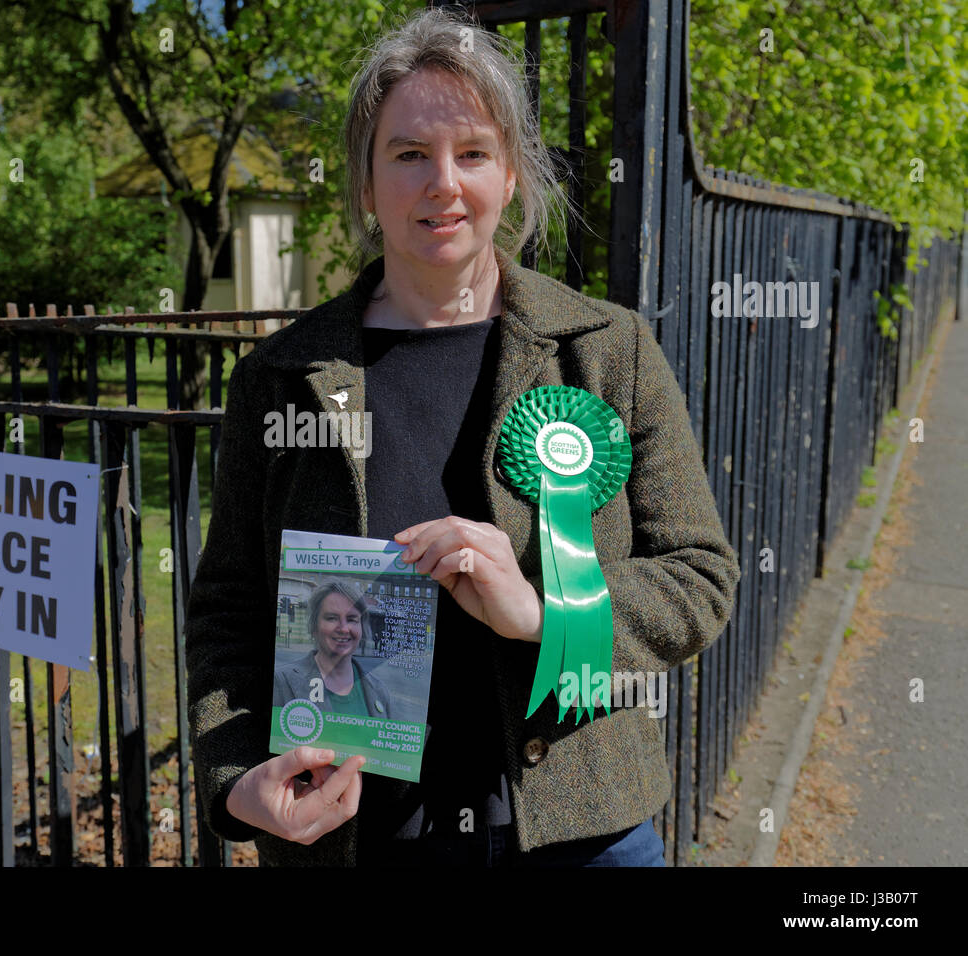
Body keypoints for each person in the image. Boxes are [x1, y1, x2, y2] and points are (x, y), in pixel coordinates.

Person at [185, 7, 741, 866]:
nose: (443, 183)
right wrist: (234, 775)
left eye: (473, 152)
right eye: (408, 154)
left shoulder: (606, 350)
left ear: (511, 175)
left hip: (582, 835)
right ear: (366, 184)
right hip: (354, 839)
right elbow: (228, 607)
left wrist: (548, 614)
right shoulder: (281, 376)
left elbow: (700, 577)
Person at [273, 581, 393, 719]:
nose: (343, 628)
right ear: (314, 627)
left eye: (352, 619)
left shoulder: (380, 692)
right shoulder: (280, 681)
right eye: (332, 618)